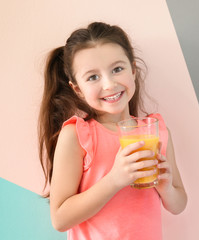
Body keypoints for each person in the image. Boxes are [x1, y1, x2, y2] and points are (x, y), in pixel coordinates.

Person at [38, 22, 187, 240]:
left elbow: (179, 204)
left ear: (133, 70)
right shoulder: (77, 135)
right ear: (78, 89)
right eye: (93, 77)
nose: (109, 84)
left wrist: (166, 188)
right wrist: (115, 179)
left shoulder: (156, 131)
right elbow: (60, 219)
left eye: (117, 69)